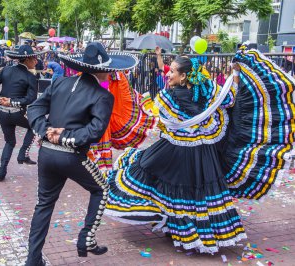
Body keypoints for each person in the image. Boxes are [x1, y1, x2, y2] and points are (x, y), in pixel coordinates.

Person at [104, 46, 295, 253]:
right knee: (199, 195)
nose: (167, 73)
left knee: (162, 181)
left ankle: (180, 231)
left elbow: (160, 123)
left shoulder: (167, 99)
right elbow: (231, 98)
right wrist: (236, 75)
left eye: (172, 71)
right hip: (206, 155)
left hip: (177, 153)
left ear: (184, 76)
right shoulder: (209, 91)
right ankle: (197, 233)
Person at [25, 42, 138, 266]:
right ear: (103, 70)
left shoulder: (60, 83)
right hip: (71, 156)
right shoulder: (102, 95)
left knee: (44, 204)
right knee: (102, 189)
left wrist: (44, 131)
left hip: (47, 154)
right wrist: (64, 136)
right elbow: (95, 132)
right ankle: (86, 238)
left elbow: (34, 109)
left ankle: (33, 260)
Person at [0, 45, 38, 181]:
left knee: (9, 142)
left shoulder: (6, 70)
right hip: (17, 113)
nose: (37, 61)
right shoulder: (30, 76)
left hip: (3, 113)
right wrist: (12, 102)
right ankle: (23, 154)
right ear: (27, 59)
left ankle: (1, 170)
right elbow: (31, 99)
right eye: (34, 58)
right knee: (35, 126)